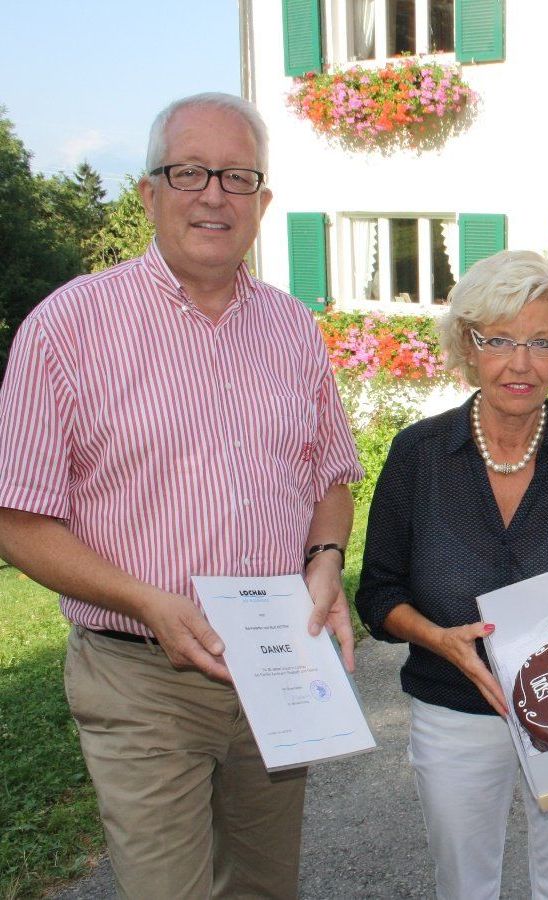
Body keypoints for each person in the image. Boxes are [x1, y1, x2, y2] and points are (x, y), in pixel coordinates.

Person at [0, 93, 363, 898]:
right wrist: (147, 600)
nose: (213, 195)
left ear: (262, 203)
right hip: (141, 675)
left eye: (236, 177)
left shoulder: (292, 328)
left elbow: (330, 477)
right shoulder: (68, 326)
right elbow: (17, 520)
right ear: (149, 192)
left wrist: (327, 560)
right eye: (188, 171)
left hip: (273, 662)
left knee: (267, 888)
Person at [355, 249, 548, 900]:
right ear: (467, 345)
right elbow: (378, 593)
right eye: (500, 340)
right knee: (465, 885)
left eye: (542, 341)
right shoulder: (418, 456)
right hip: (453, 706)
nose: (521, 362)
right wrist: (439, 638)